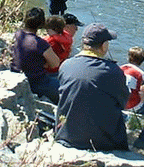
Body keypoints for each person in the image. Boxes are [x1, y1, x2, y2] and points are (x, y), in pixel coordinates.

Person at [55, 23, 129, 151]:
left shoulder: (66, 65)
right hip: (102, 142)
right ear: (104, 45)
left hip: (66, 136)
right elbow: (123, 102)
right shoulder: (113, 71)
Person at [10, 8, 61, 103]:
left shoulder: (17, 34)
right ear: (41, 24)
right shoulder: (40, 43)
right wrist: (45, 63)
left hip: (15, 75)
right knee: (64, 88)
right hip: (37, 82)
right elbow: (55, 63)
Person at [121, 46, 144, 111]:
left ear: (128, 57)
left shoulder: (121, 68)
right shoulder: (141, 73)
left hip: (120, 101)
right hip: (134, 105)